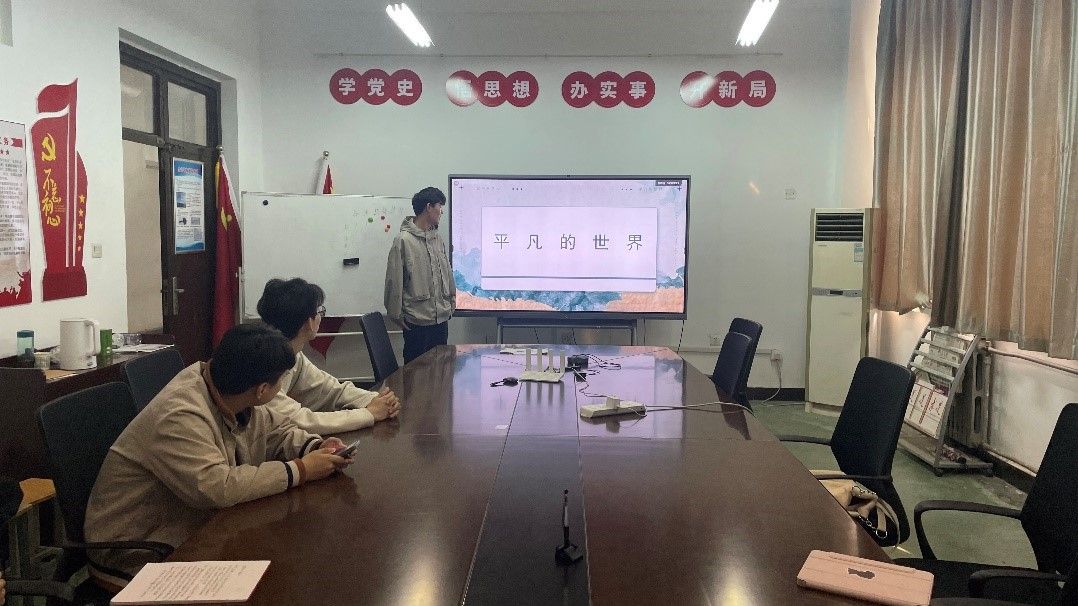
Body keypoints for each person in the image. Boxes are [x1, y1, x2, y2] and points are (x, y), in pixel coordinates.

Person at [84, 324, 353, 585]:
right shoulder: (180, 414)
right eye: (281, 380)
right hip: (137, 549)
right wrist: (301, 469)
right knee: (277, 573)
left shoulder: (229, 388)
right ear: (262, 390)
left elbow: (277, 430)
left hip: (189, 524)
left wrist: (313, 448)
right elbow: (218, 487)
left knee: (281, 559)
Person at [257, 278, 401, 433]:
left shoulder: (293, 353)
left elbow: (330, 389)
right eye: (319, 312)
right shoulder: (263, 363)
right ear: (309, 322)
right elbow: (298, 420)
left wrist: (373, 399)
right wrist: (369, 414)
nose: (321, 317)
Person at [385, 186, 455, 363]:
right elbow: (394, 280)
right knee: (417, 371)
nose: (441, 211)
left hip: (441, 320)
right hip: (417, 321)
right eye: (439, 206)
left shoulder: (437, 239)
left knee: (441, 369)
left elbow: (447, 272)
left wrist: (452, 300)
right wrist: (395, 314)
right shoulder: (403, 240)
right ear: (428, 207)